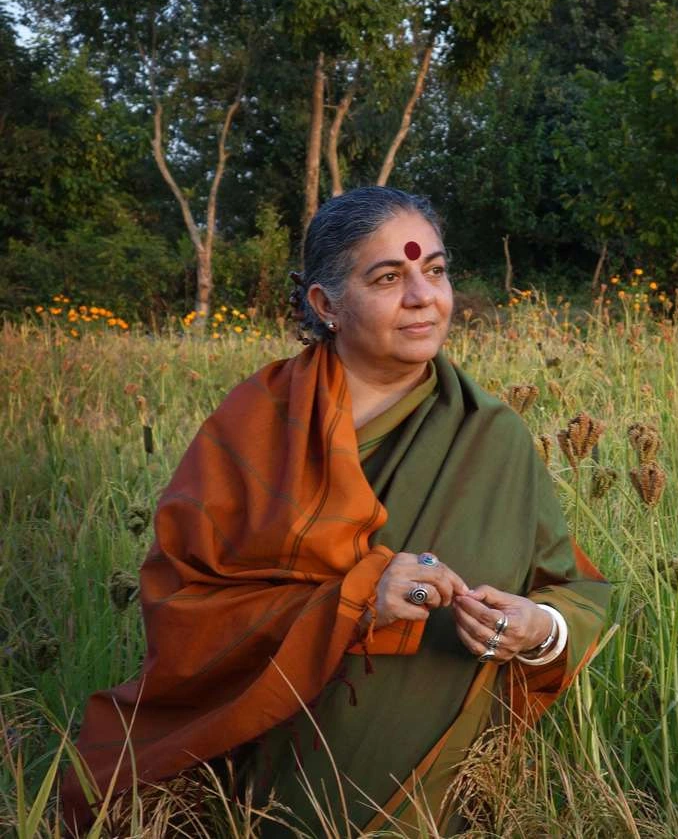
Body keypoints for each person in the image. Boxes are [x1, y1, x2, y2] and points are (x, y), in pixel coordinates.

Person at [62, 187, 611, 836]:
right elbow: (182, 606)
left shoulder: (494, 436)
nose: (423, 296)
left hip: (441, 803)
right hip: (265, 791)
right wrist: (354, 601)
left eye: (434, 270)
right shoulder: (257, 426)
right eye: (388, 276)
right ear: (325, 304)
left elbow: (576, 589)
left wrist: (540, 627)